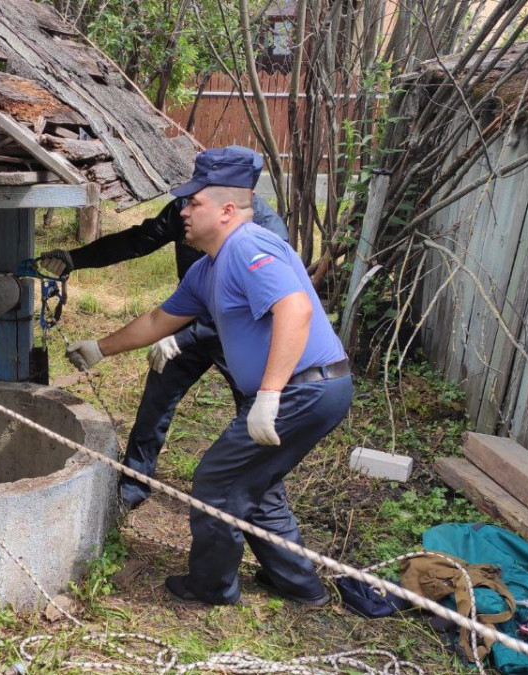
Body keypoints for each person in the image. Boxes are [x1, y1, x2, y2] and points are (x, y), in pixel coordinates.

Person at [65, 147, 352, 607]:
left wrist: (269, 396)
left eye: (192, 203)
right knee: (256, 486)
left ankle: (211, 588)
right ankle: (299, 585)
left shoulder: (248, 245)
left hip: (306, 389)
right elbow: (159, 319)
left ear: (226, 210)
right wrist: (101, 348)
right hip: (312, 389)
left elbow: (295, 308)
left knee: (217, 483)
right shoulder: (208, 267)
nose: (183, 210)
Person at [32, 146, 289, 509]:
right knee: (156, 400)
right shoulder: (187, 209)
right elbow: (140, 239)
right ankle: (134, 486)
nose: (187, 208)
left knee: (254, 420)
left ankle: (262, 504)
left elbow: (263, 310)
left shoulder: (267, 234)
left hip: (240, 338)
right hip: (187, 324)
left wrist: (181, 335)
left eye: (200, 194)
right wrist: (76, 258)